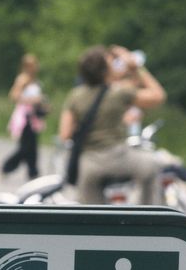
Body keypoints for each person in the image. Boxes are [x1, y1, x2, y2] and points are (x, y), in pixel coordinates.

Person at [58, 45, 167, 204]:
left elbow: (64, 134)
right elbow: (158, 96)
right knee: (153, 166)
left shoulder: (75, 96)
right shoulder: (118, 93)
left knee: (92, 217)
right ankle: (147, 214)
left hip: (89, 166)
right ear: (105, 70)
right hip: (119, 158)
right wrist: (136, 68)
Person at [2, 53, 47, 179]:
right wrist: (32, 100)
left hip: (34, 116)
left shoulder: (35, 80)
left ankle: (33, 172)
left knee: (32, 145)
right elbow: (13, 96)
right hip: (25, 116)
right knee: (26, 146)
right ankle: (7, 166)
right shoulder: (23, 79)